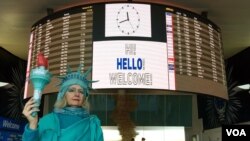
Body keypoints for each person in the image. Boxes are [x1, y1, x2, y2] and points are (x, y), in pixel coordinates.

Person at [22, 66, 104, 141]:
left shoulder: (93, 124)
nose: (76, 94)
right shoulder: (48, 120)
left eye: (81, 91)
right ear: (63, 94)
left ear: (85, 97)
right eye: (71, 90)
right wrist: (33, 124)